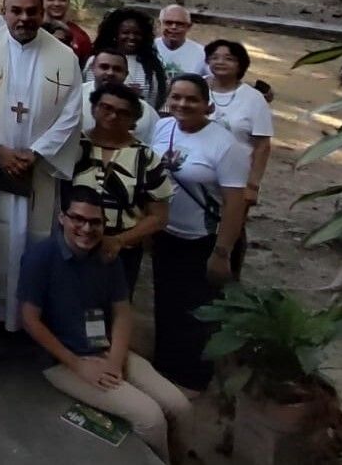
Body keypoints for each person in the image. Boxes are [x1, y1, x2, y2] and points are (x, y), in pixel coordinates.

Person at [19, 187, 191, 464]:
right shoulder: (41, 258)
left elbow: (122, 312)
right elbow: (30, 320)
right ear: (62, 218)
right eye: (78, 219)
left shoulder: (107, 255)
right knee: (151, 419)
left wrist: (115, 359)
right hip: (64, 360)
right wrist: (79, 365)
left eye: (95, 222)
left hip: (107, 349)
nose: (86, 228)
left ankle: (180, 458)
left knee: (180, 406)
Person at [0, 0, 83, 330]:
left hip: (38, 172)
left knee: (35, 238)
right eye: (16, 11)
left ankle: (29, 316)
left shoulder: (64, 56)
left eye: (32, 11)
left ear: (42, 13)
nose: (24, 18)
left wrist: (37, 153)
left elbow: (72, 114)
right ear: (4, 12)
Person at [151, 75, 249, 393]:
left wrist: (222, 252)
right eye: (176, 97)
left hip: (204, 240)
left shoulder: (226, 145)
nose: (182, 104)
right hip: (166, 234)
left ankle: (193, 379)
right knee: (166, 303)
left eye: (191, 99)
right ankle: (164, 367)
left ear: (207, 104)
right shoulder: (162, 129)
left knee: (198, 312)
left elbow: (235, 203)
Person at [74, 82, 170, 289]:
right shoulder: (73, 147)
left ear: (134, 120)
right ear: (93, 108)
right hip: (71, 248)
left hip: (120, 254)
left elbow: (159, 216)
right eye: (106, 108)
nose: (113, 116)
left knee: (113, 312)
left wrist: (119, 241)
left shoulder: (146, 158)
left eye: (123, 112)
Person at [204, 40, 274, 212]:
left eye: (229, 58)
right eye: (214, 57)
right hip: (194, 173)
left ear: (241, 65)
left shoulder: (254, 99)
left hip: (234, 178)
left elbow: (262, 146)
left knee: (229, 228)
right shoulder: (195, 87)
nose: (220, 62)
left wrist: (252, 185)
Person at [90, 9, 168, 108]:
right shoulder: (97, 60)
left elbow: (155, 101)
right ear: (115, 34)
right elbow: (89, 91)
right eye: (125, 32)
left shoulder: (152, 65)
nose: (131, 37)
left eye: (137, 33)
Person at [81, 49, 158, 146]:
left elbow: (153, 144)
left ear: (126, 74)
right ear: (93, 68)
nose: (110, 73)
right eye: (104, 67)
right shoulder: (75, 96)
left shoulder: (145, 110)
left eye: (117, 69)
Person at [41, 0, 93, 64]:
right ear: (42, 1)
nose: (56, 3)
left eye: (61, 0)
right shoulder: (32, 30)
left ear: (68, 3)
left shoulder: (81, 38)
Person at [154, 5, 205, 79]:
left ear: (189, 26)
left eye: (180, 24)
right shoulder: (147, 47)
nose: (173, 27)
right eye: (168, 22)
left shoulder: (202, 53)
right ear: (159, 24)